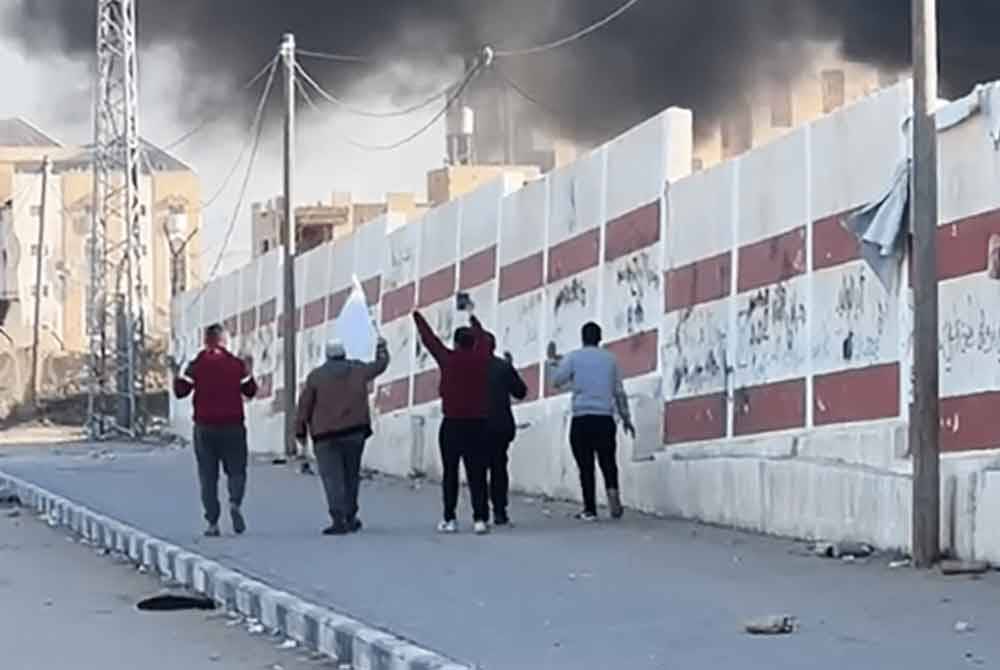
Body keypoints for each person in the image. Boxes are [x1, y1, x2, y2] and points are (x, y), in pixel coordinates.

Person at [295, 338, 390, 535]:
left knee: (332, 477)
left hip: (324, 435)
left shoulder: (316, 377)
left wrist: (300, 430)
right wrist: (381, 349)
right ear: (344, 353)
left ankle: (338, 518)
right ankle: (350, 515)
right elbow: (380, 366)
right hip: (354, 432)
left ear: (327, 355)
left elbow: (304, 406)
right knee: (350, 475)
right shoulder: (358, 369)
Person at [172, 324, 258, 537]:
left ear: (205, 341)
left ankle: (212, 522)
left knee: (208, 476)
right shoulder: (236, 365)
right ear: (224, 340)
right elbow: (250, 390)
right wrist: (249, 371)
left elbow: (181, 391)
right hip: (233, 427)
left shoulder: (197, 365)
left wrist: (176, 373)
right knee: (237, 470)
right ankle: (235, 502)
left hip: (205, 428)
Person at [413, 308, 492, 535]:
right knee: (477, 472)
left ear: (456, 343)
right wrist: (474, 319)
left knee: (451, 472)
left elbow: (430, 340)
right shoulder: (481, 359)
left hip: (452, 424)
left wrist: (418, 318)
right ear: (472, 343)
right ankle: (480, 518)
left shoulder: (448, 359)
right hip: (478, 423)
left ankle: (450, 517)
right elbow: (485, 341)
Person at [548, 322, 635, 522]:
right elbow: (619, 392)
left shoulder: (574, 357)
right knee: (608, 461)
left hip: (582, 418)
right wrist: (626, 418)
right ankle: (613, 492)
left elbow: (556, 381)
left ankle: (590, 509)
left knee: (585, 465)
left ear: (582, 337)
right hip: (605, 418)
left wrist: (553, 362)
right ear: (599, 338)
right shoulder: (610, 360)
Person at [484, 333, 528, 526]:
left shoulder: (470, 367)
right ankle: (500, 510)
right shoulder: (503, 367)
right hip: (500, 424)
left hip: (475, 423)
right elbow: (520, 392)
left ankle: (481, 512)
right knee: (499, 467)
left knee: (477, 468)